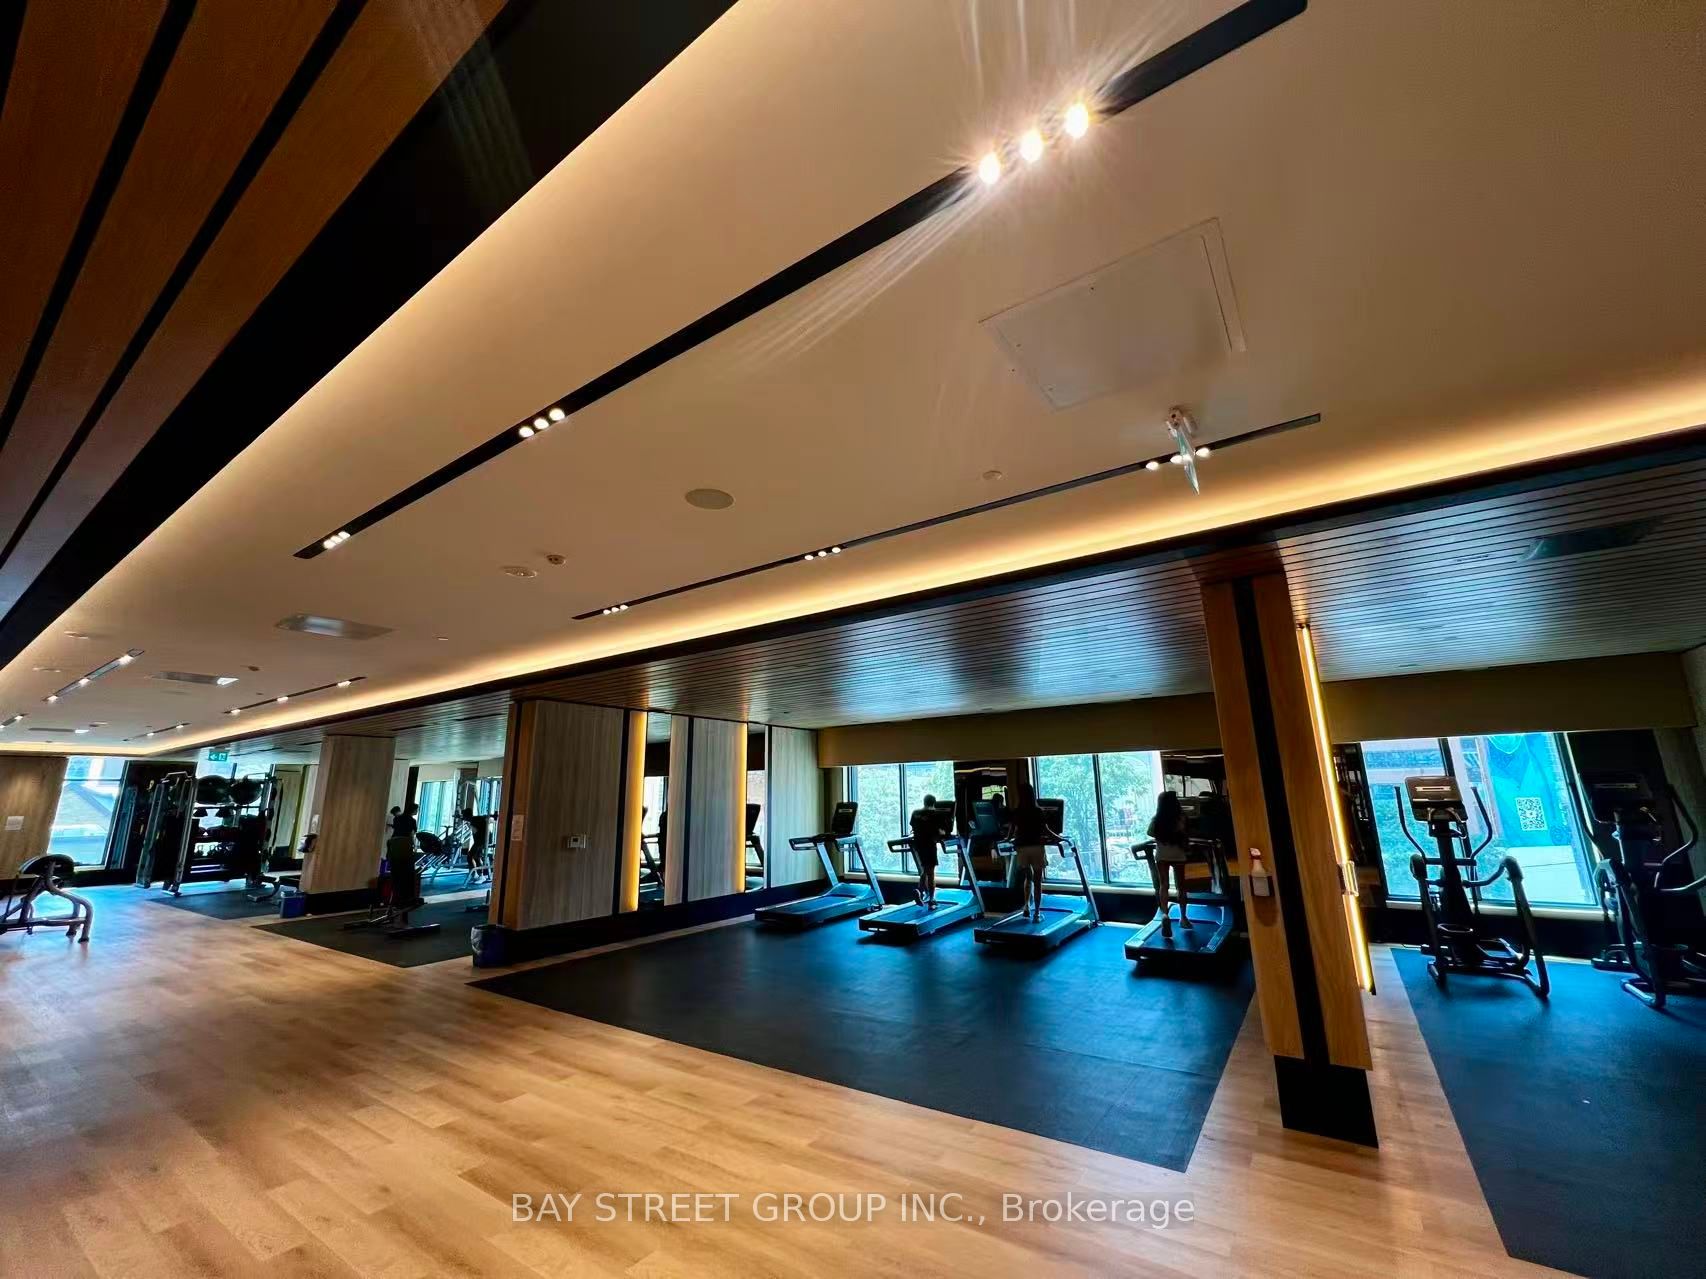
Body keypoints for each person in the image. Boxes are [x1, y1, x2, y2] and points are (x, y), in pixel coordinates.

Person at [1145, 791, 1193, 940]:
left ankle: (1165, 915)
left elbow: (1150, 833)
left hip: (1162, 856)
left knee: (1163, 885)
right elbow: (1186, 834)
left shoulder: (1156, 820)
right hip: (1178, 855)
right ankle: (1183, 918)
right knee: (1181, 887)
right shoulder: (1181, 818)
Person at [1008, 782, 1050, 921]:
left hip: (1022, 848)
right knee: (1037, 881)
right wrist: (1059, 838)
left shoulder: (1017, 811)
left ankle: (1026, 906)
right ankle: (1037, 913)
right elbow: (1045, 830)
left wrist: (1006, 839)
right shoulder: (1038, 811)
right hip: (1036, 847)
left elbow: (1011, 832)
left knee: (1028, 878)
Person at [909, 795, 949, 909]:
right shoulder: (937, 814)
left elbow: (913, 826)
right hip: (929, 845)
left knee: (926, 869)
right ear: (934, 803)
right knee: (930, 873)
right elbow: (942, 831)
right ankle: (929, 897)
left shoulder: (915, 813)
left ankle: (921, 892)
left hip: (918, 845)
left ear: (924, 802)